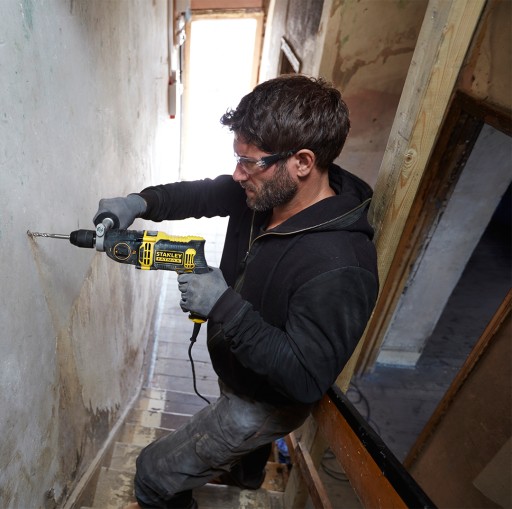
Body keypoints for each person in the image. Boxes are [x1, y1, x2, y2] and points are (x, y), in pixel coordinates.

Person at [94, 74, 379, 509]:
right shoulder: (265, 193)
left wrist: (223, 306)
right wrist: (140, 202)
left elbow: (305, 378)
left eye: (249, 162)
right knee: (242, 456)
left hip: (266, 402)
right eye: (237, 157)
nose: (237, 173)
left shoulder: (342, 264)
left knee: (154, 474)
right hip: (240, 368)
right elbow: (204, 194)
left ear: (302, 162)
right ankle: (247, 475)